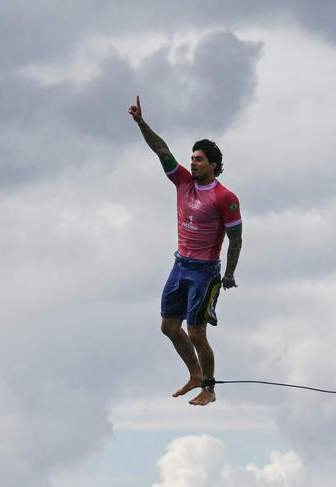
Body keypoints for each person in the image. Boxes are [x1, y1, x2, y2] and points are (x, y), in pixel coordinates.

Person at [128, 96, 243, 406]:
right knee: (168, 326)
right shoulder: (182, 182)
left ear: (214, 165)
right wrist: (141, 122)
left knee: (196, 332)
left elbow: (236, 239)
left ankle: (209, 387)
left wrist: (229, 274)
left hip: (205, 273)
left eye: (200, 159)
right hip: (180, 265)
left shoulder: (225, 197)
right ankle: (194, 374)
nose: (193, 163)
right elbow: (161, 150)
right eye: (192, 158)